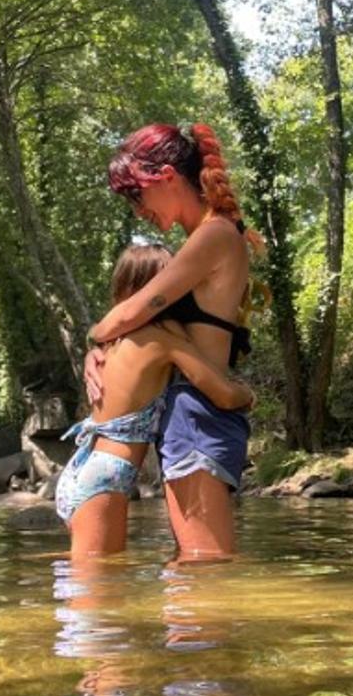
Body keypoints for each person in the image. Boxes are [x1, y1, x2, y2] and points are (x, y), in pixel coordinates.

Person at [88, 123, 262, 559]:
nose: (136, 209)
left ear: (166, 176)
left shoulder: (214, 235)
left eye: (136, 194)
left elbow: (129, 314)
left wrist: (95, 336)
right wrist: (98, 352)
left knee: (204, 569)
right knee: (196, 570)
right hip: (192, 414)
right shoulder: (209, 237)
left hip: (196, 414)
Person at [59, 243, 253, 559]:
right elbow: (225, 394)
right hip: (108, 475)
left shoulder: (109, 346)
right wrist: (249, 395)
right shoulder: (162, 341)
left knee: (92, 592)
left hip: (86, 468)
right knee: (95, 595)